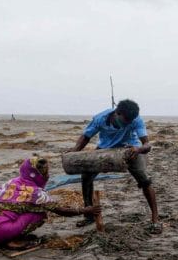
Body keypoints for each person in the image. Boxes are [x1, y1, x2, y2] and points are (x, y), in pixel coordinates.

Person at [68, 99, 161, 234]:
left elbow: (147, 145)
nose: (129, 122)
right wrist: (75, 151)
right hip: (104, 149)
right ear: (117, 113)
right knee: (86, 176)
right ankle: (89, 215)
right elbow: (86, 136)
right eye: (126, 119)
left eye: (131, 120)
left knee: (144, 180)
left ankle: (155, 219)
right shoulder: (101, 118)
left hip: (130, 149)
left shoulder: (136, 119)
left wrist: (138, 150)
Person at [0, 156, 101, 249]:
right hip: (1, 230)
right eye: (45, 173)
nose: (48, 176)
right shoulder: (36, 193)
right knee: (40, 214)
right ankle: (11, 240)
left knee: (2, 211)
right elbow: (60, 210)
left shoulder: (12, 182)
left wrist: (11, 205)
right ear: (37, 175)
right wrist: (86, 210)